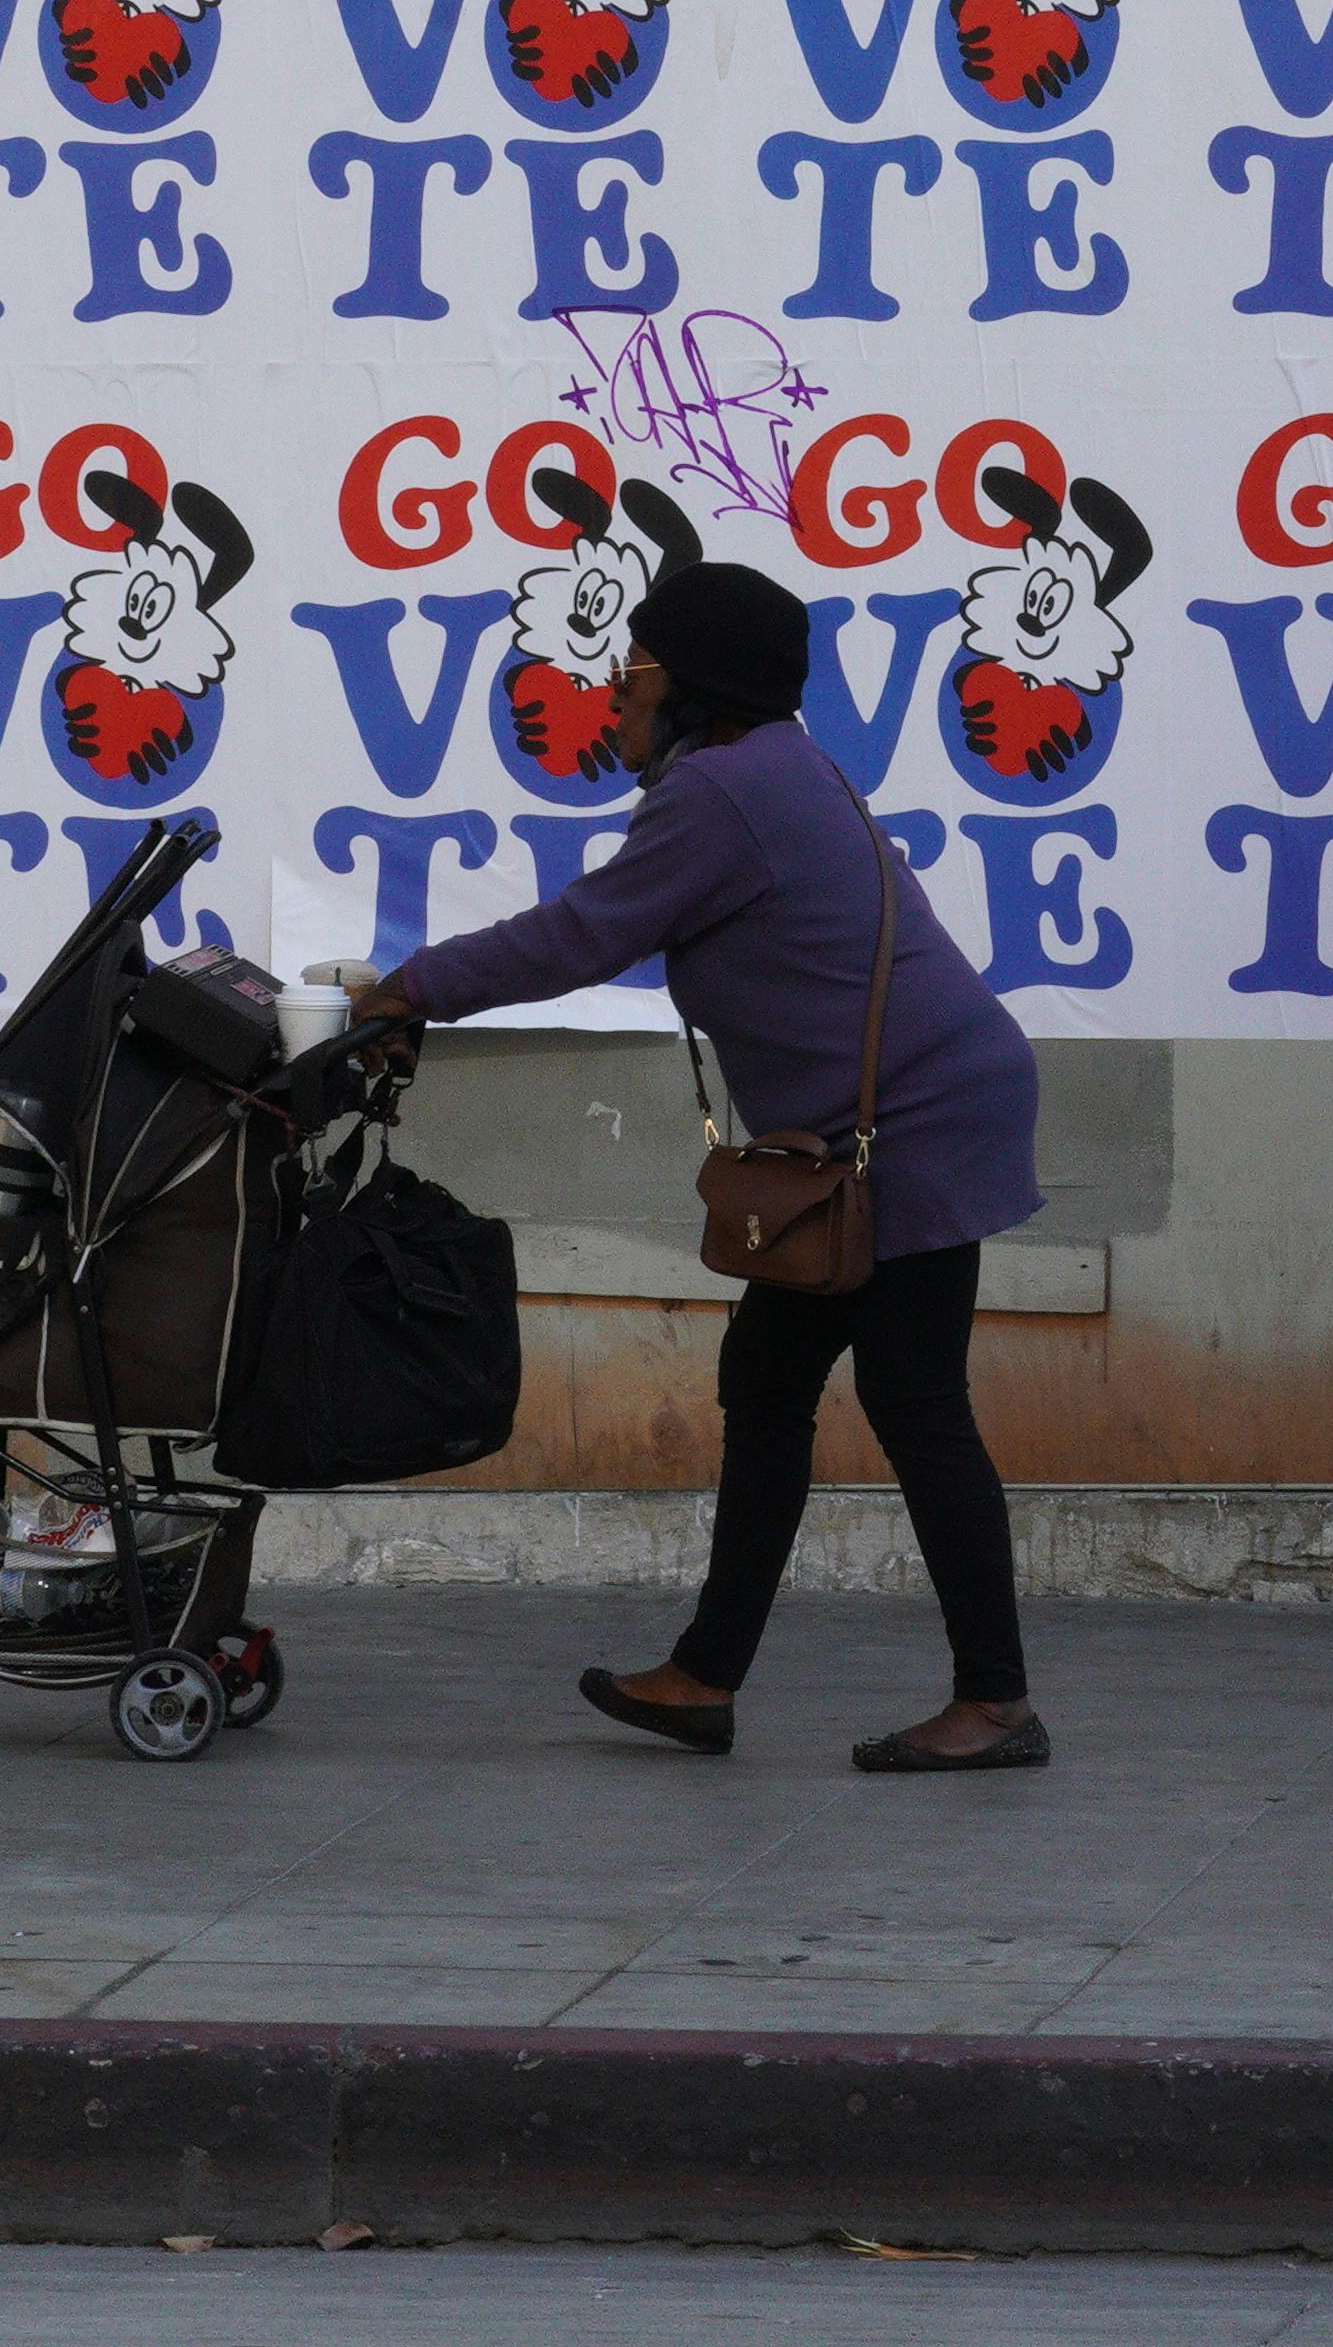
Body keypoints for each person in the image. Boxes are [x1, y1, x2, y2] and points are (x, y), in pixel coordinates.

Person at [355, 557, 1054, 1775]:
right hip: (884, 1127)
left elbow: (581, 933)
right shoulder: (771, 766)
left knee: (914, 1401)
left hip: (915, 1127)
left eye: (633, 670)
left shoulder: (724, 789)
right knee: (769, 1380)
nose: (613, 696)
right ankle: (705, 1675)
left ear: (694, 686)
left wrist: (412, 986)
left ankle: (994, 1701)